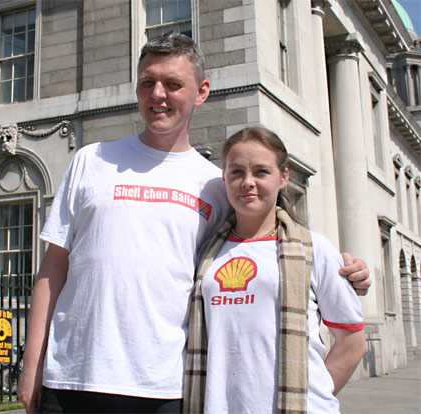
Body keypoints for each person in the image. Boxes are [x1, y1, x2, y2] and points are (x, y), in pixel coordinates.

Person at [18, 33, 370, 414]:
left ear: (201, 92)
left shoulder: (215, 186)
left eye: (173, 84)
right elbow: (53, 269)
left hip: (165, 387)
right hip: (72, 378)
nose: (158, 94)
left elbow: (268, 241)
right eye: (147, 82)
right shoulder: (91, 160)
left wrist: (346, 270)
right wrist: (31, 364)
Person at [184, 127, 367, 414]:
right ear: (224, 179)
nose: (248, 182)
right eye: (236, 173)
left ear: (283, 177)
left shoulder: (315, 248)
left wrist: (311, 396)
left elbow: (353, 342)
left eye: (261, 172)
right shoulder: (206, 254)